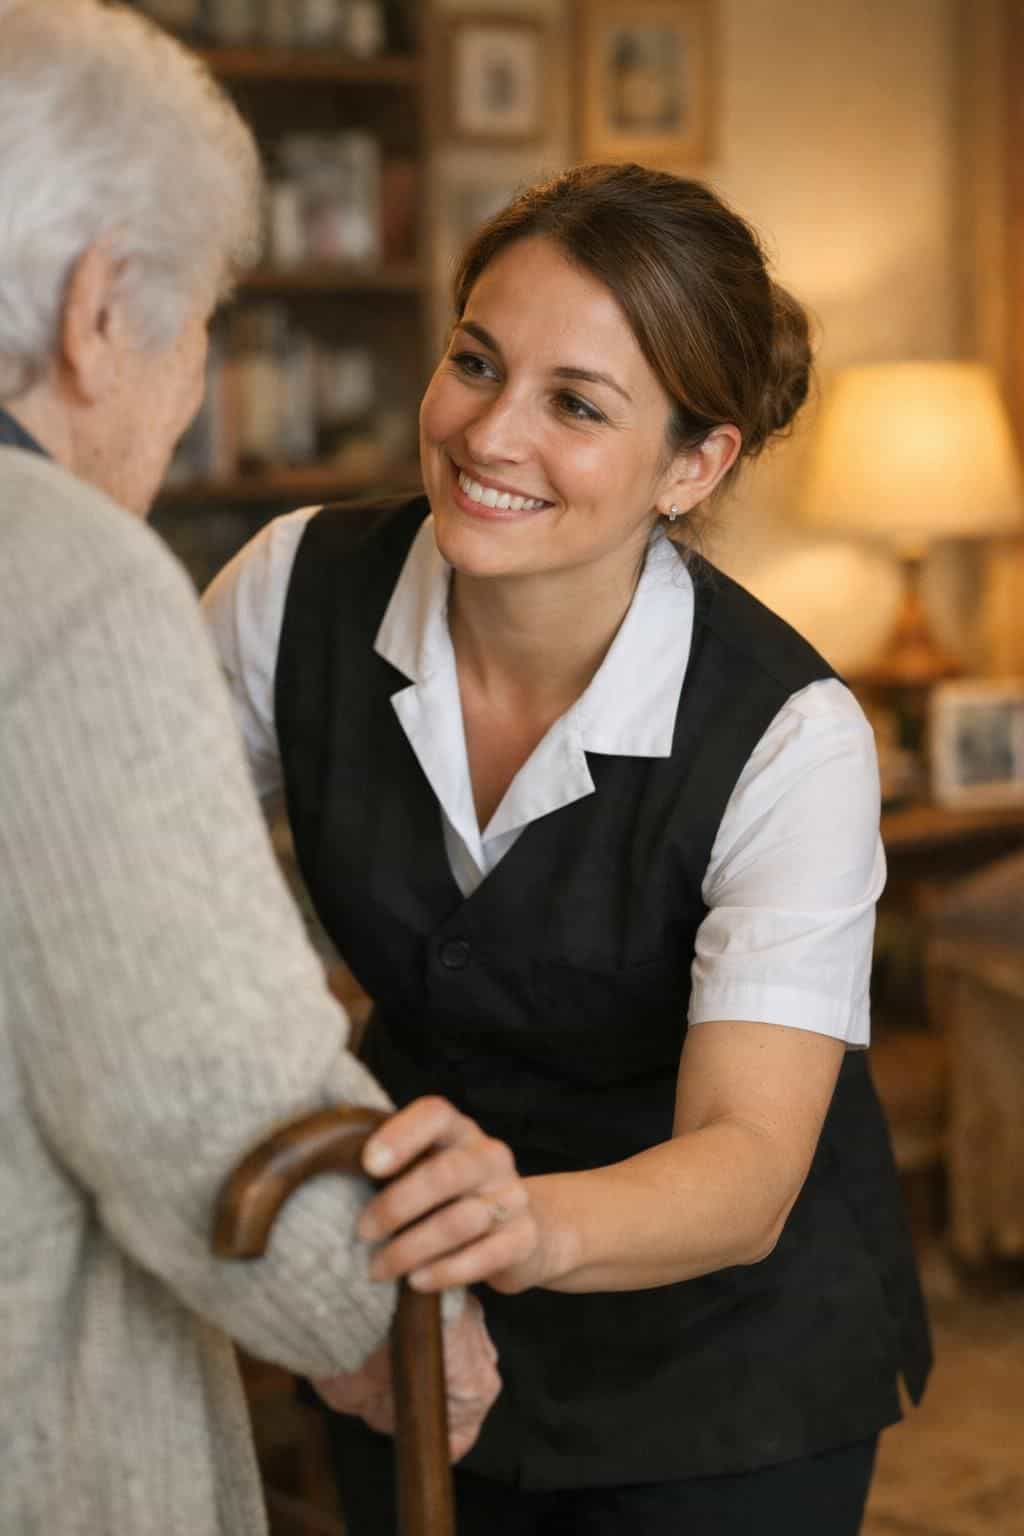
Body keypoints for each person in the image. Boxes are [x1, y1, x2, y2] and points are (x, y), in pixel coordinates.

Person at [203, 162, 933, 1535]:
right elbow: (142, 917)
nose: (489, 434)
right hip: (401, 1331)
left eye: (577, 405)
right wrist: (376, 1278)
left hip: (726, 1375)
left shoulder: (789, 733)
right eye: (475, 361)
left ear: (695, 463)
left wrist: (502, 1232)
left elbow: (744, 1161)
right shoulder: (289, 593)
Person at [0, 5, 540, 1534]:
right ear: (100, 306)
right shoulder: (65, 573)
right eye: (197, 328)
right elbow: (203, 1099)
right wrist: (389, 1320)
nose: (189, 389)